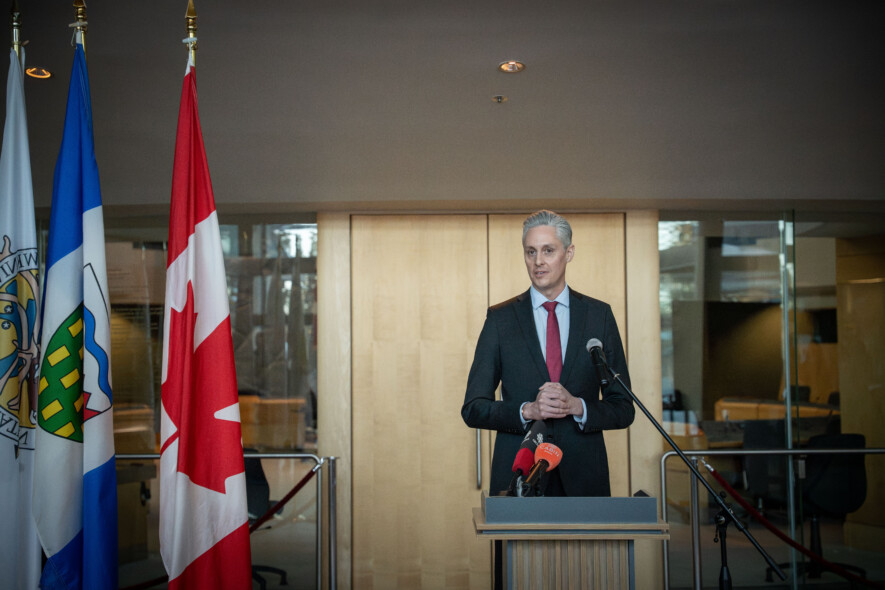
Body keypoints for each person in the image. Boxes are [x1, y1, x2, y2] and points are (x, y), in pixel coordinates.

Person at [461, 210, 635, 497]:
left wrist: (578, 406)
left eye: (548, 251)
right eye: (530, 252)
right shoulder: (500, 319)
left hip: (584, 479)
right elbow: (473, 408)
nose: (538, 261)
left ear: (569, 253)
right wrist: (527, 410)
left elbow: (624, 408)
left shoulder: (599, 316)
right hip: (519, 476)